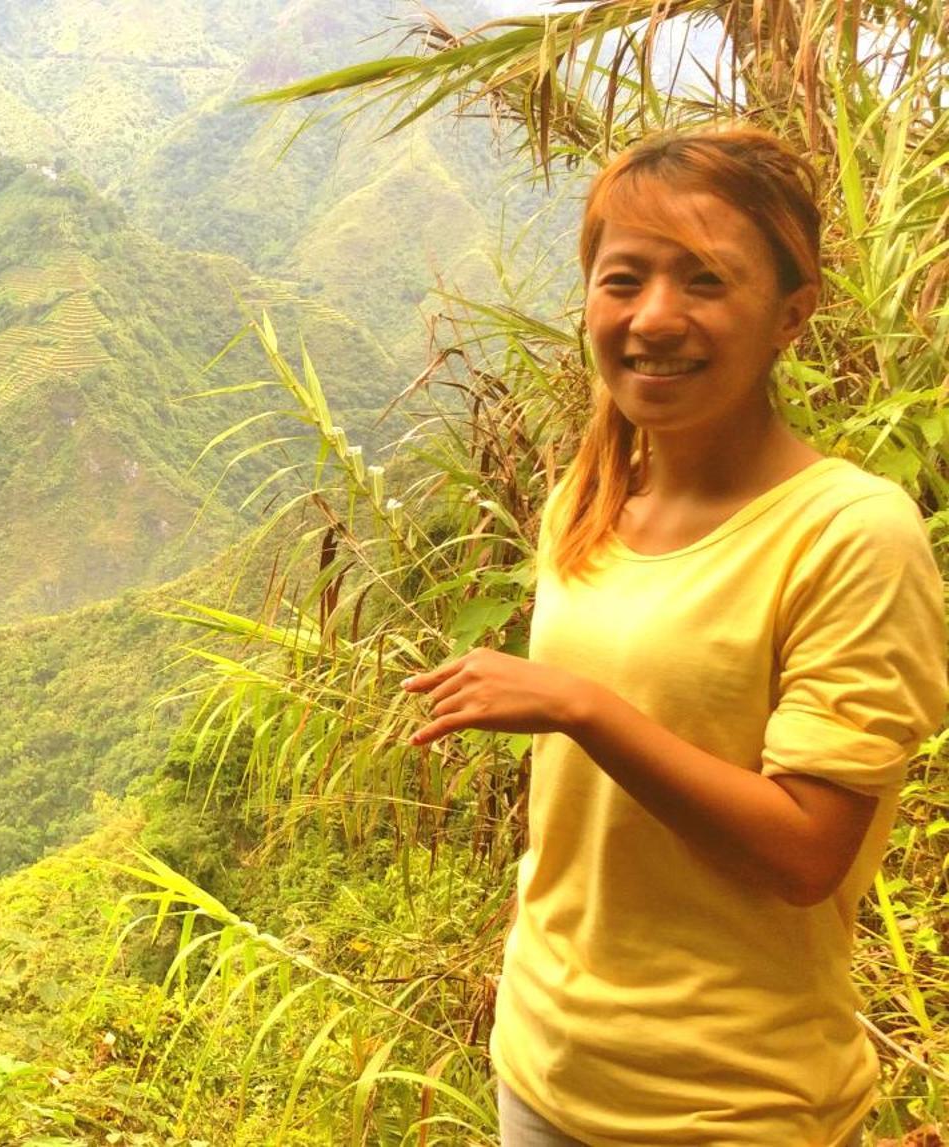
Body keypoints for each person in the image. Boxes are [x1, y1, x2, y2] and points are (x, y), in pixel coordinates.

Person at [398, 127, 948, 1145]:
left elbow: (804, 854)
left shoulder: (848, 533)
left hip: (727, 1101)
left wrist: (580, 708)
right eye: (623, 279)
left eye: (704, 279)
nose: (654, 316)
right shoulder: (594, 493)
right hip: (542, 1060)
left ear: (791, 312)